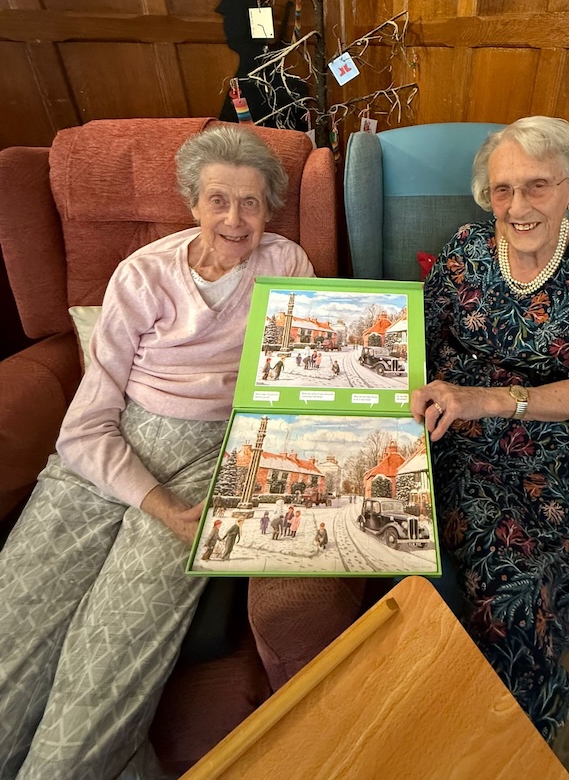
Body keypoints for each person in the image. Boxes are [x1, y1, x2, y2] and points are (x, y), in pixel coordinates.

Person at [0, 124, 315, 780]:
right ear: (192, 202)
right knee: (14, 627)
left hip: (211, 456)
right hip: (108, 448)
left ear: (271, 209)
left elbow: (310, 375)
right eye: (218, 200)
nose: (234, 219)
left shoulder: (287, 265)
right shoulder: (142, 274)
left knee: (111, 659)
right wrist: (151, 499)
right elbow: (87, 422)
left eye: (251, 203)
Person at [411, 116, 569, 744]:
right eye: (502, 190)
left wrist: (491, 399)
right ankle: (504, 722)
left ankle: (502, 735)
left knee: (524, 569)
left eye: (536, 186)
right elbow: (417, 338)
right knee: (494, 559)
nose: (516, 207)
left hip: (551, 435)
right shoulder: (464, 250)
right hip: (461, 432)